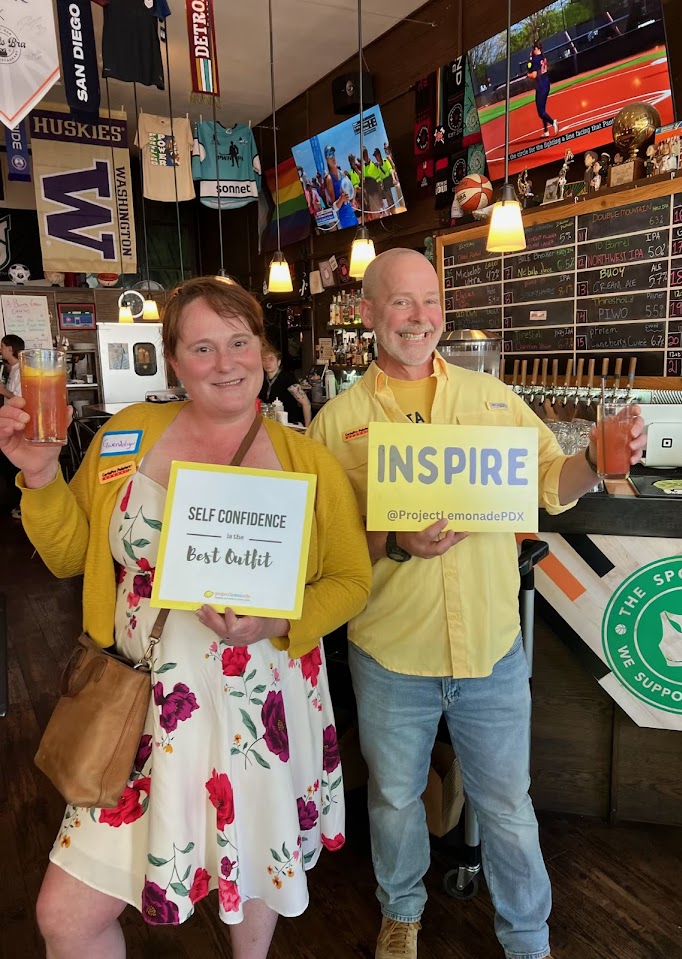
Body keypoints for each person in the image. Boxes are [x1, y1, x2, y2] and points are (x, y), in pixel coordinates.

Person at [0, 276, 371, 958]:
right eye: (202, 347)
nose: (225, 362)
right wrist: (42, 476)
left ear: (264, 352)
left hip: (260, 707)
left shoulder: (308, 461)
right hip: (141, 705)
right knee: (64, 917)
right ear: (173, 360)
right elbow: (70, 555)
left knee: (252, 870)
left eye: (239, 342)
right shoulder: (126, 436)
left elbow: (351, 581)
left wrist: (276, 624)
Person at [307, 249, 645, 959]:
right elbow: (321, 552)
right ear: (367, 313)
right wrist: (392, 540)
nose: (418, 317)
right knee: (393, 799)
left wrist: (597, 459)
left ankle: (527, 937)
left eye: (429, 300)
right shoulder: (335, 424)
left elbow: (552, 482)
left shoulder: (492, 399)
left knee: (509, 807)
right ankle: (401, 910)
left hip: (491, 649)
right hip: (391, 653)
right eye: (400, 302)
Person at [0, 333, 25, 518]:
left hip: (17, 425)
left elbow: (22, 400)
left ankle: (21, 505)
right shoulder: (13, 369)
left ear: (10, 348)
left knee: (13, 466)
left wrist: (3, 391)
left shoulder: (21, 371)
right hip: (10, 423)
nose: (0, 350)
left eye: (2, 346)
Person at [259, 345, 311, 427]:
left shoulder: (287, 378)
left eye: (271, 359)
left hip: (289, 425)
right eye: (264, 360)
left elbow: (306, 404)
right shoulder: (261, 379)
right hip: (270, 425)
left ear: (279, 362)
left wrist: (308, 428)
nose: (267, 363)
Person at [527, 41, 559, 138]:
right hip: (546, 84)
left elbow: (534, 75)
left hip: (540, 86)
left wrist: (528, 74)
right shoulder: (543, 57)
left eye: (534, 49)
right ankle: (546, 131)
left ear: (537, 49)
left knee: (541, 113)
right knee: (543, 110)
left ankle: (553, 122)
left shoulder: (536, 59)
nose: (533, 50)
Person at [323, 144, 358, 230]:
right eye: (330, 155)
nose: (333, 158)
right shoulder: (329, 179)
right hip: (343, 220)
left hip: (352, 214)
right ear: (326, 159)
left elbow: (350, 194)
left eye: (333, 154)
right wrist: (341, 199)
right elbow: (333, 207)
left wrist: (352, 197)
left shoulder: (342, 173)